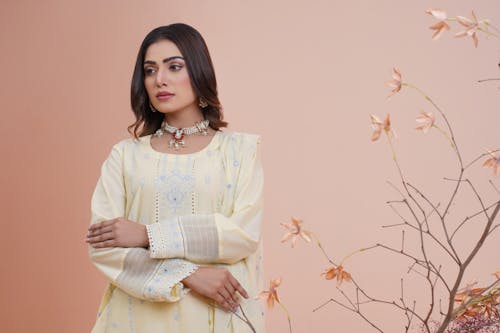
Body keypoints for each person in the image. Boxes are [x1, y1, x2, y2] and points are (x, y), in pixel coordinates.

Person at [85, 23, 265, 332]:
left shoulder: (238, 152)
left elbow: (240, 235)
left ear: (198, 71)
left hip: (218, 317)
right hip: (135, 319)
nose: (160, 80)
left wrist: (147, 235)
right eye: (150, 70)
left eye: (174, 66)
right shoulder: (125, 157)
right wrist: (189, 274)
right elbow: (105, 247)